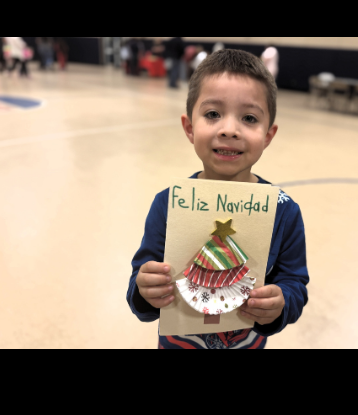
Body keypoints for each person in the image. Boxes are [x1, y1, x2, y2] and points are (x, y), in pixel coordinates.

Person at [127, 49, 309, 349]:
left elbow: (295, 282)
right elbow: (141, 278)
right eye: (213, 114)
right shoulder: (168, 203)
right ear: (189, 127)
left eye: (249, 118)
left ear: (268, 135)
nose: (229, 130)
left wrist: (281, 301)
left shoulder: (284, 211)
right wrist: (144, 289)